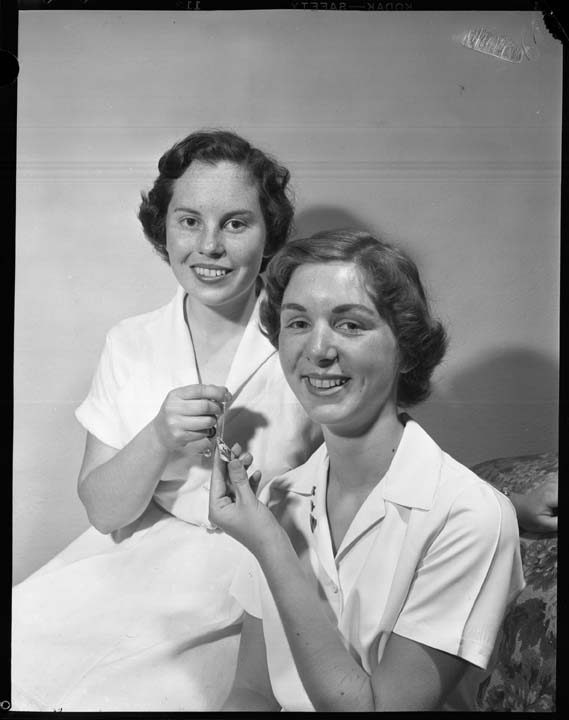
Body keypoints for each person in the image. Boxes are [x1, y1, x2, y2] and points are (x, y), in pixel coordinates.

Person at [11, 130, 322, 712]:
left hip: (261, 581)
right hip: (136, 560)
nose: (209, 246)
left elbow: (368, 469)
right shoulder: (131, 342)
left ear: (269, 233)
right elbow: (105, 513)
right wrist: (157, 438)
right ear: (164, 229)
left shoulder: (307, 337)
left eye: (236, 223)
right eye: (189, 221)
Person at [209, 229, 526, 712]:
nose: (318, 349)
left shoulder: (471, 516)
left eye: (350, 325)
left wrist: (271, 544)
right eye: (298, 323)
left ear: (407, 349)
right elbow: (252, 693)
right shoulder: (276, 497)